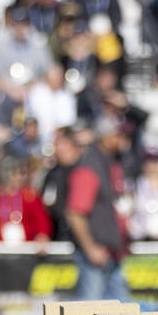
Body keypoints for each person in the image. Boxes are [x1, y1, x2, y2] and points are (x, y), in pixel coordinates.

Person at [63, 117, 131, 301]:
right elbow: (75, 213)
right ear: (106, 138)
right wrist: (90, 248)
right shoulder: (89, 167)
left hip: (112, 253)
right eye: (119, 135)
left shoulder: (108, 163)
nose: (124, 140)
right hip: (95, 257)